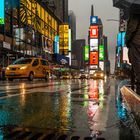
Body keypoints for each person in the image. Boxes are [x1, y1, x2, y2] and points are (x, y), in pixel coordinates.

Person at [125, 12, 140, 95]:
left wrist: (126, 41)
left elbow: (131, 28)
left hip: (136, 43)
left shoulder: (136, 12)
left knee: (137, 66)